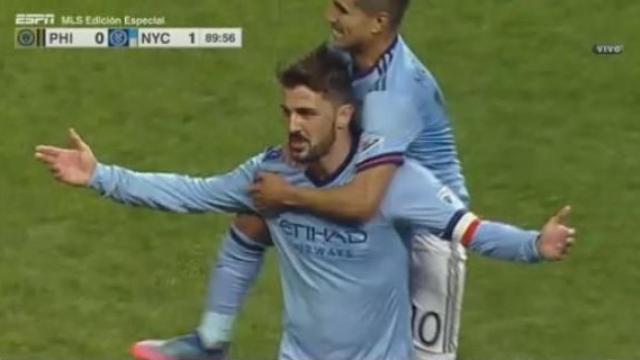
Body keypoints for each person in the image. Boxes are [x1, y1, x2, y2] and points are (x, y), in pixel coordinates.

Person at [35, 45, 576, 360]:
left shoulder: (395, 182)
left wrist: (536, 244)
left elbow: (471, 231)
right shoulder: (270, 173)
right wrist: (101, 176)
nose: (293, 126)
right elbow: (191, 193)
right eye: (287, 112)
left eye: (307, 114)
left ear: (343, 117)